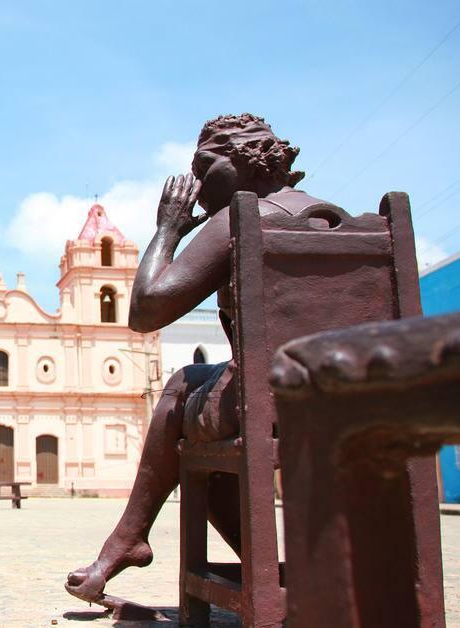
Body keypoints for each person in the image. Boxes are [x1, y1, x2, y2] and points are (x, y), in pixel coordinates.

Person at [66, 114, 326, 603]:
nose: (199, 185)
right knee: (194, 384)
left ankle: (129, 539)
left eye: (205, 168)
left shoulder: (243, 217)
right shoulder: (346, 219)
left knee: (183, 387)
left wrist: (168, 229)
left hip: (271, 401)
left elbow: (145, 310)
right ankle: (289, 573)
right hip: (353, 398)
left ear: (242, 161)